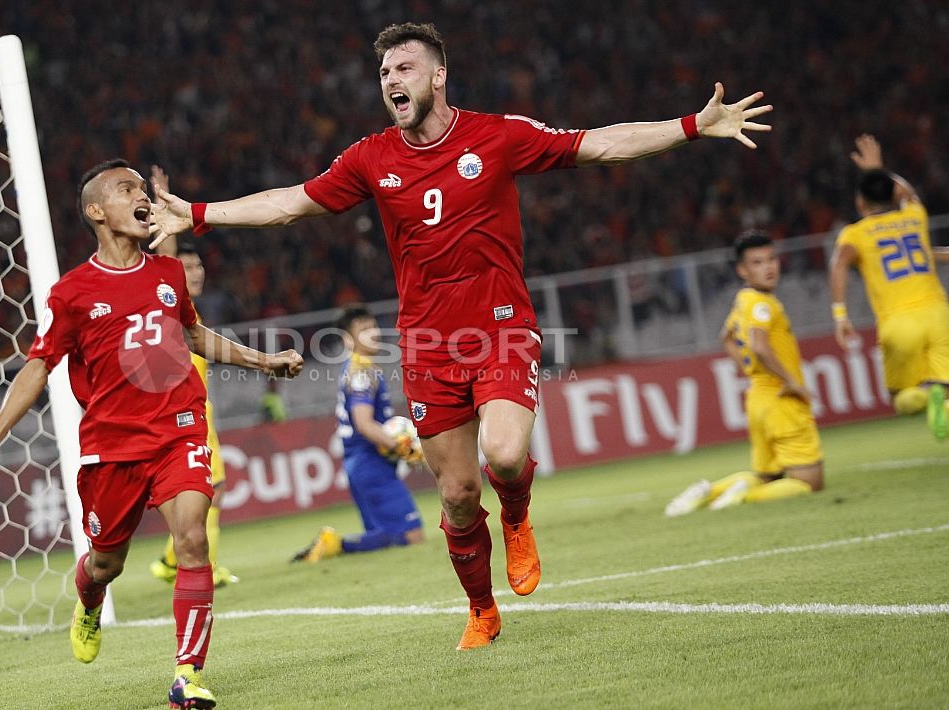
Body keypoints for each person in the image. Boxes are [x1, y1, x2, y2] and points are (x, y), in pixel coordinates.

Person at [149, 22, 772, 649]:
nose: (392, 80)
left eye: (405, 68)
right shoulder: (371, 157)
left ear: (438, 75)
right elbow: (291, 203)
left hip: (501, 328)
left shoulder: (498, 136)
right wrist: (199, 214)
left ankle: (519, 515)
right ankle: (481, 608)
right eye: (386, 72)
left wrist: (692, 125)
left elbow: (600, 144)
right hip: (425, 344)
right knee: (455, 493)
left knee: (503, 455)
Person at [0, 159, 303, 709]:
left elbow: (194, 334)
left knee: (192, 539)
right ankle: (90, 598)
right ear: (98, 211)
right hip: (112, 446)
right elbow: (37, 365)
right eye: (128, 190)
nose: (142, 197)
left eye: (144, 190)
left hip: (179, 430)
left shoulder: (167, 275)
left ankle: (187, 676)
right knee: (107, 562)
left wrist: (264, 362)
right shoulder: (73, 293)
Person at [666, 233, 824, 516]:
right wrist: (792, 382)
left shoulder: (744, 298)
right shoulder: (763, 304)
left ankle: (708, 491)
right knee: (809, 481)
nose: (769, 267)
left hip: (758, 398)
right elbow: (759, 346)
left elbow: (725, 337)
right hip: (780, 398)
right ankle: (745, 497)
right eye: (757, 262)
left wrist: (750, 369)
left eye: (771, 259)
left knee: (768, 475)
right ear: (742, 270)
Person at [829, 134, 949, 441]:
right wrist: (879, 170)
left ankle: (922, 400)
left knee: (900, 396)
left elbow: (839, 264)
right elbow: (907, 192)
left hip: (899, 322)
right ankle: (941, 403)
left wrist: (841, 316)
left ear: (860, 201)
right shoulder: (915, 216)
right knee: (946, 385)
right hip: (939, 313)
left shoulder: (856, 234)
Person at [292, 303, 426, 562]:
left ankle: (335, 544)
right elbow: (364, 423)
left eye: (373, 326)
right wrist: (405, 448)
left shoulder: (359, 367)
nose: (373, 333)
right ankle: (337, 545)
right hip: (370, 464)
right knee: (412, 536)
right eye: (363, 330)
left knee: (386, 536)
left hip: (363, 464)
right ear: (347, 339)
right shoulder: (361, 372)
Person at [150, 238, 239, 588]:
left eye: (199, 265)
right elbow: (161, 267)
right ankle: (205, 566)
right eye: (187, 267)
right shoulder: (166, 307)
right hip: (184, 413)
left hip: (200, 410)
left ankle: (171, 560)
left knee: (210, 490)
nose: (196, 272)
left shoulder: (191, 312)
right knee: (212, 489)